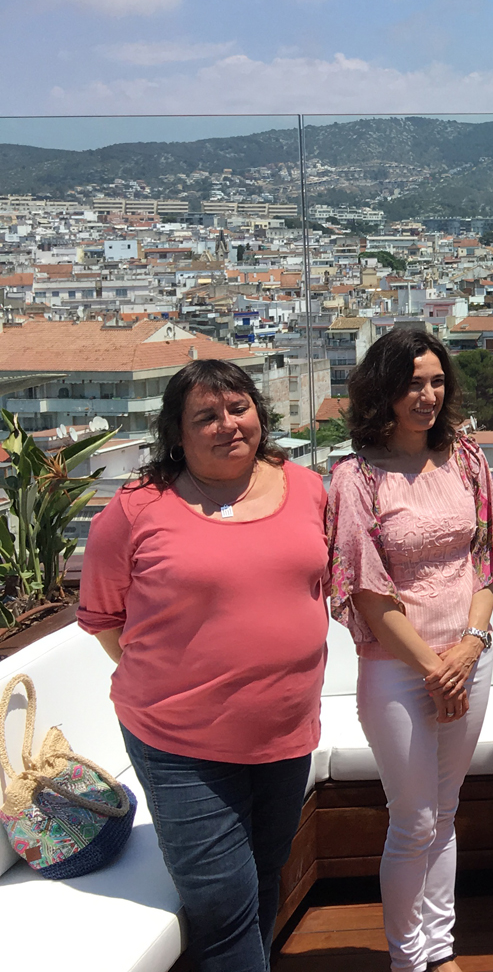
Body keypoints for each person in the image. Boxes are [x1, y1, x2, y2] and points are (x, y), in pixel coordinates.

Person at [76, 359, 328, 972]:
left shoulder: (307, 487)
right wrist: (185, 680)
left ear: (260, 416)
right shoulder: (138, 507)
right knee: (221, 906)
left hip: (285, 734)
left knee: (263, 875)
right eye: (205, 417)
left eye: (238, 409)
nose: (227, 426)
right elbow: (106, 619)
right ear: (178, 433)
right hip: (180, 744)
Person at [326, 329, 493, 972]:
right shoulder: (355, 477)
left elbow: (491, 559)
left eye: (437, 381)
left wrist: (470, 646)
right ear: (382, 391)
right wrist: (440, 669)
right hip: (399, 673)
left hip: (470, 657)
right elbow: (367, 592)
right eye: (413, 382)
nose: (428, 395)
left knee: (446, 811)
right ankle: (406, 957)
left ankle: (441, 950)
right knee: (412, 820)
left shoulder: (466, 458)